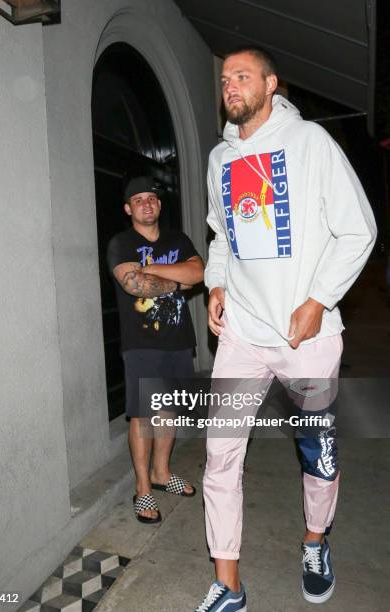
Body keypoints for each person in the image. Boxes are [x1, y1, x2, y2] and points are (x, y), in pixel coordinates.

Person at [195, 46, 376, 611]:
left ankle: (315, 542)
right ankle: (228, 585)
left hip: (306, 339)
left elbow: (359, 230)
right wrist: (217, 285)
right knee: (220, 453)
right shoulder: (219, 160)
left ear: (271, 84)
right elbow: (221, 237)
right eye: (226, 78)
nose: (231, 85)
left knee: (317, 453)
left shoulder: (312, 145)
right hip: (243, 335)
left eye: (242, 76)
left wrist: (320, 299)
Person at [107, 175, 204, 524]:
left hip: (178, 340)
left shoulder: (178, 238)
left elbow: (198, 273)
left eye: (152, 197)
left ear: (159, 205)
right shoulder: (121, 242)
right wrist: (178, 278)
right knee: (144, 415)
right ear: (128, 208)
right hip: (141, 344)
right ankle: (144, 488)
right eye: (138, 199)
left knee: (170, 411)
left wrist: (156, 272)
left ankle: (163, 473)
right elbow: (135, 285)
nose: (146, 203)